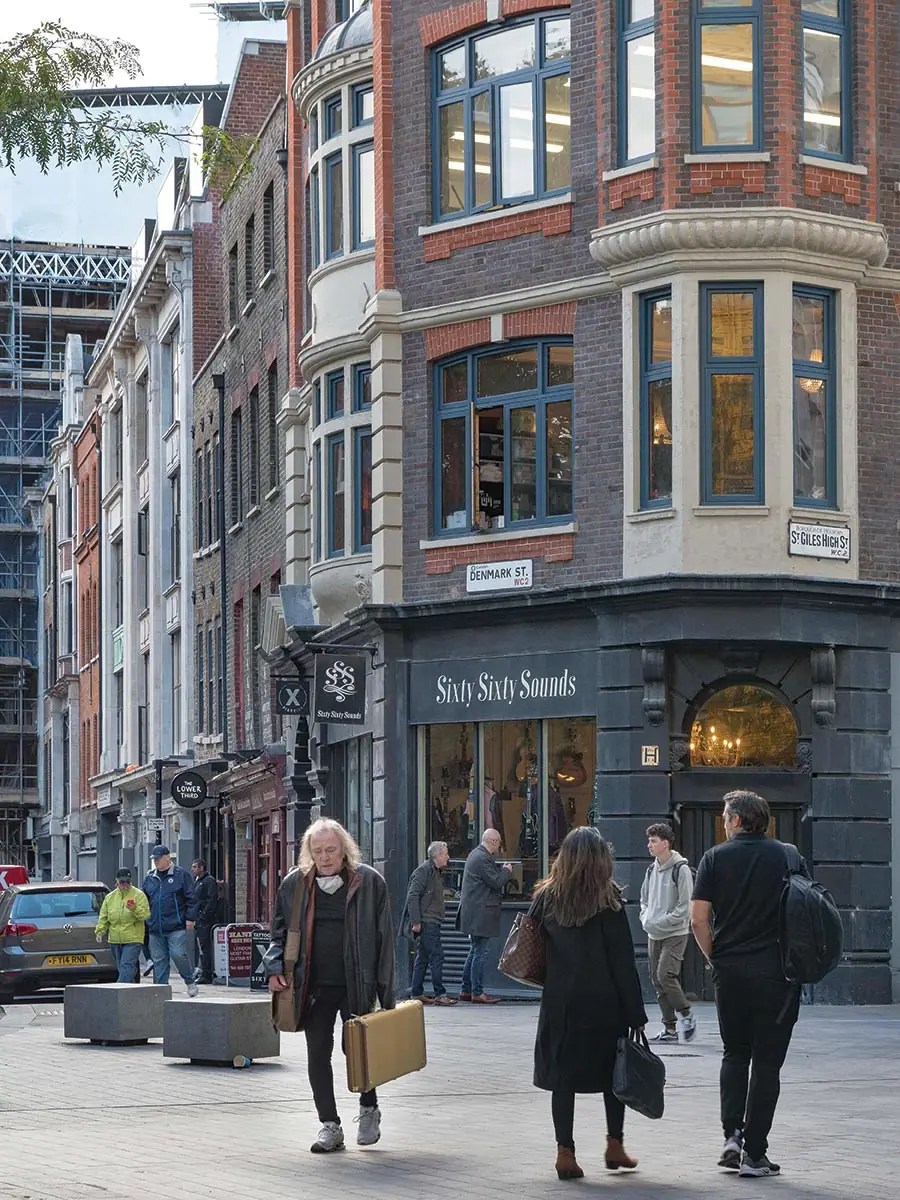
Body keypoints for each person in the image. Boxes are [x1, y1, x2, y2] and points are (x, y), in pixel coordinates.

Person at [691, 790, 807, 1179]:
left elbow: (698, 920)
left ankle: (732, 1137)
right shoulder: (787, 857)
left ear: (737, 820)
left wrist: (715, 959)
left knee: (734, 1053)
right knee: (768, 1064)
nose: (723, 822)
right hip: (777, 974)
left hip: (732, 973)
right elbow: (806, 912)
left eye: (726, 816)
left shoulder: (714, 858)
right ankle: (755, 1154)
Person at [264, 818, 395, 1155]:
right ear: (309, 853)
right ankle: (330, 1125)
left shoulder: (369, 883)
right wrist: (274, 968)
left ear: (345, 849)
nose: (324, 857)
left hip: (358, 983)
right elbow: (278, 932)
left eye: (331, 850)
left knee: (360, 1051)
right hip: (313, 985)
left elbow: (386, 940)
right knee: (317, 1052)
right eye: (317, 851)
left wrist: (389, 995)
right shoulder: (295, 885)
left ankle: (369, 1108)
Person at [532, 827, 647, 1181]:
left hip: (560, 1003)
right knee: (614, 1076)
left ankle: (565, 1152)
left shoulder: (547, 897)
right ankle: (615, 1145)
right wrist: (636, 1014)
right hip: (604, 1004)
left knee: (562, 1079)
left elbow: (532, 945)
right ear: (601, 860)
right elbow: (623, 962)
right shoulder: (608, 900)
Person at [640, 822, 696, 1043]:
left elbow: (685, 908)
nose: (649, 845)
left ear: (665, 843)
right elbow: (644, 899)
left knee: (665, 975)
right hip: (653, 933)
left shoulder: (680, 870)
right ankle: (670, 1029)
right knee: (656, 979)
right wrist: (646, 919)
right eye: (649, 841)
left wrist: (660, 922)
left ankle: (686, 1014)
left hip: (675, 933)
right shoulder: (651, 869)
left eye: (653, 841)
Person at [458, 828, 512, 1004]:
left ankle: (466, 990)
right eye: (499, 842)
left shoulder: (476, 855)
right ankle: (477, 992)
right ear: (494, 841)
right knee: (480, 952)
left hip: (475, 912)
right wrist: (507, 871)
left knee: (474, 951)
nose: (499, 846)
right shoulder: (482, 858)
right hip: (480, 913)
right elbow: (496, 882)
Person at [402, 840, 455, 1006]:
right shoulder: (424, 871)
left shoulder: (435, 871)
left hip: (432, 921)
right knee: (437, 956)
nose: (448, 857)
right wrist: (416, 921)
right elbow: (412, 896)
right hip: (427, 921)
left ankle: (416, 992)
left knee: (423, 957)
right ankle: (440, 993)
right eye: (446, 854)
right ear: (437, 855)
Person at [142, 846, 199, 997]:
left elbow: (191, 898)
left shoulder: (182, 875)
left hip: (176, 925)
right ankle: (160, 992)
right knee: (159, 961)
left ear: (168, 857)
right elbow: (144, 900)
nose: (156, 862)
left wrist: (190, 918)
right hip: (155, 927)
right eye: (154, 859)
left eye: (158, 859)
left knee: (178, 953)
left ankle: (190, 981)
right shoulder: (150, 877)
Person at [95, 868, 150, 982]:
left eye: (128, 882)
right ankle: (131, 995)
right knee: (123, 969)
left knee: (126, 966)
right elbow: (104, 916)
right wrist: (100, 931)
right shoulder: (110, 897)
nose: (125, 884)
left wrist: (135, 909)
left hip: (133, 939)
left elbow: (145, 915)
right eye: (122, 882)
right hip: (115, 940)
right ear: (116, 881)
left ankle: (117, 993)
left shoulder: (139, 895)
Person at [191, 858, 219, 984]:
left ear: (202, 868)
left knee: (206, 947)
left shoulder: (209, 881)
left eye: (195, 867)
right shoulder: (197, 881)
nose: (193, 869)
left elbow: (211, 900)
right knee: (201, 947)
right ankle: (203, 970)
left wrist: (203, 915)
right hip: (199, 919)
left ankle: (207, 974)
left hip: (206, 921)